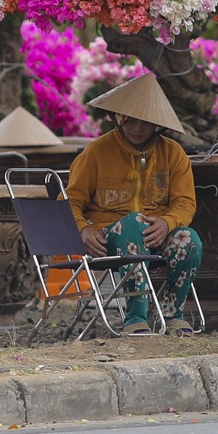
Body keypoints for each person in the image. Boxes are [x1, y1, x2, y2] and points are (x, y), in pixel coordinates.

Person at [68, 73, 202, 334]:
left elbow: (185, 203)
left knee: (190, 238)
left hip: (156, 236)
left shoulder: (174, 153)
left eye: (145, 122)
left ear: (156, 124)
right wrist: (83, 229)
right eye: (130, 120)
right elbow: (70, 200)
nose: (137, 127)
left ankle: (171, 314)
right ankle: (135, 319)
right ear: (118, 118)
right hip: (106, 238)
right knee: (133, 223)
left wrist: (167, 222)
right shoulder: (96, 152)